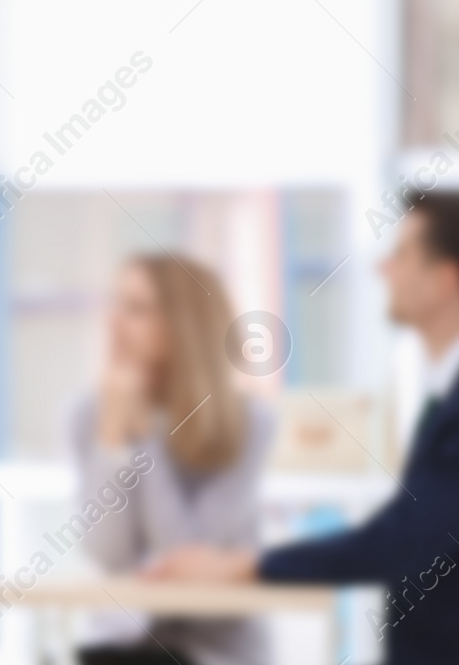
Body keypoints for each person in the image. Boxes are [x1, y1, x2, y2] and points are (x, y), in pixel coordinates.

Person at [147, 194, 459, 665]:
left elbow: (410, 538)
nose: (382, 269)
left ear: (443, 281)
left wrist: (245, 567)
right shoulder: (438, 391)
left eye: (401, 256)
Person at [70, 255, 275, 665]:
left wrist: (146, 435)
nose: (115, 322)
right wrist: (112, 435)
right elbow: (109, 556)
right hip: (125, 650)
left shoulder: (249, 422)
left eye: (137, 309)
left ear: (183, 325)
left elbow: (182, 552)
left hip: (215, 651)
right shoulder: (89, 413)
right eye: (116, 304)